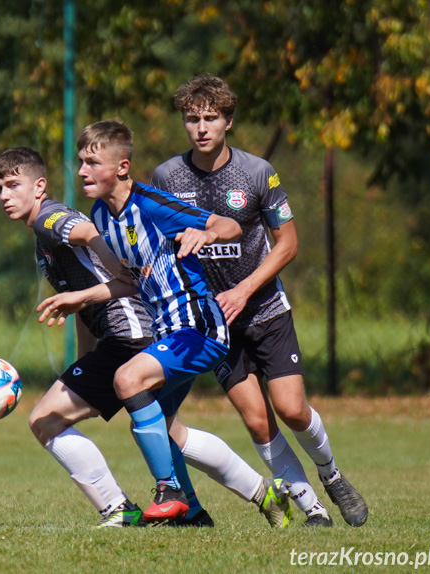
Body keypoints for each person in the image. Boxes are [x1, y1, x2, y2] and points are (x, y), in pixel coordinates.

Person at [0, 147, 292, 528]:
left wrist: (113, 263)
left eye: (12, 185)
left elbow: (84, 231)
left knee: (45, 420)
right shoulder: (45, 235)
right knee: (170, 429)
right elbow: (83, 305)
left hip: (130, 335)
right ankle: (249, 496)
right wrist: (85, 355)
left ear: (39, 187)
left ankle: (124, 508)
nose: (4, 195)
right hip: (131, 333)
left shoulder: (48, 219)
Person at [150, 74, 368, 527]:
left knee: (290, 409)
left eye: (211, 118)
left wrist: (245, 288)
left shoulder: (255, 172)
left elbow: (287, 243)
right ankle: (313, 510)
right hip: (214, 322)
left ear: (229, 121)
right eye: (192, 119)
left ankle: (332, 475)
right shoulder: (167, 176)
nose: (201, 127)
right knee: (256, 421)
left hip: (265, 310)